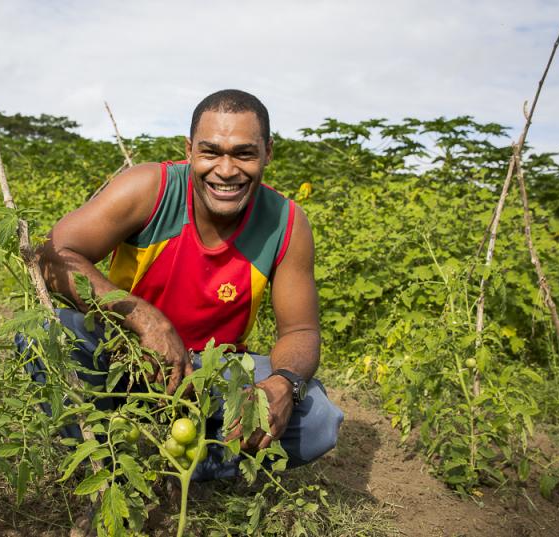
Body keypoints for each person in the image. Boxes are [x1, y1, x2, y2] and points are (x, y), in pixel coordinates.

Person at [24, 89, 343, 480]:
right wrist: (143, 319)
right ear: (190, 150)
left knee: (316, 420)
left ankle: (178, 473)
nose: (226, 170)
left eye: (244, 153)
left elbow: (301, 329)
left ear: (268, 153)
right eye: (211, 152)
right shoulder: (151, 189)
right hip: (124, 355)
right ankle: (103, 465)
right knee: (45, 331)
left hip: (212, 376)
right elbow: (53, 255)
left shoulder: (287, 224)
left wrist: (284, 383)